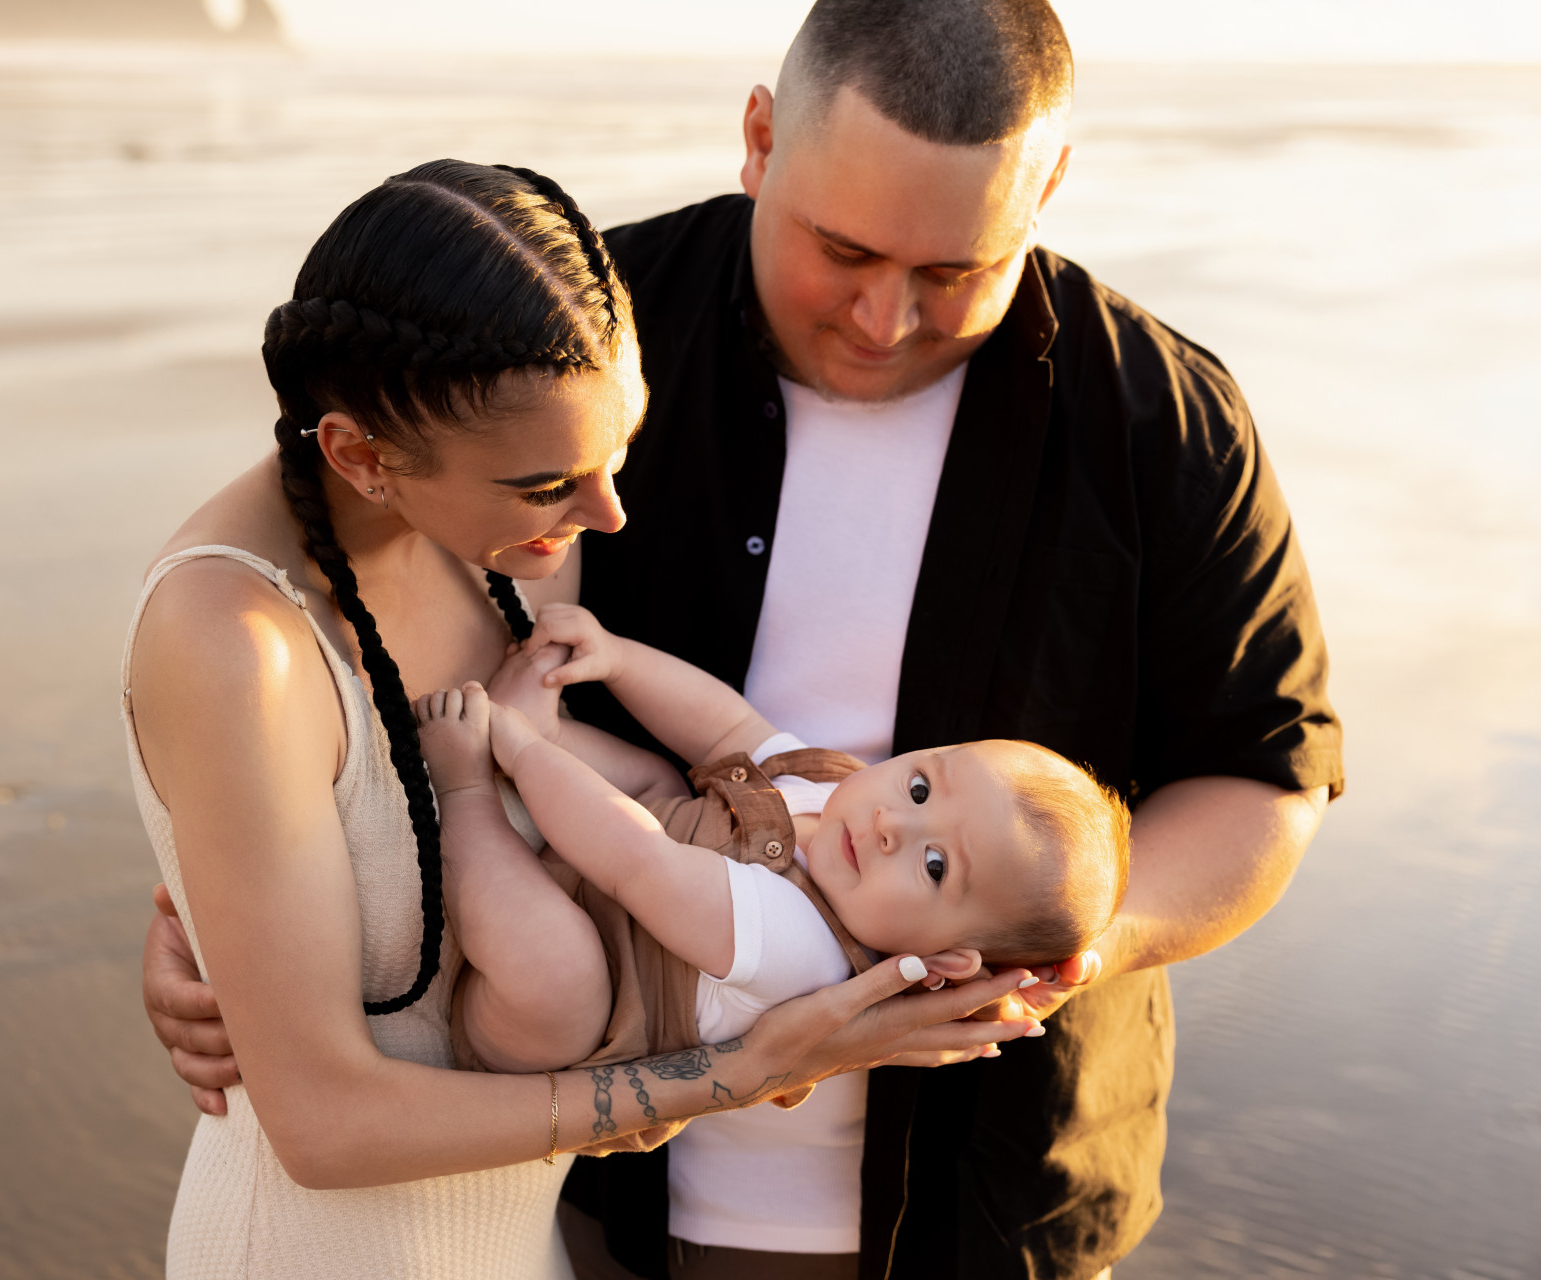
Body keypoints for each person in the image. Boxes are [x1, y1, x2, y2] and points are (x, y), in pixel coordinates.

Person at [146, 2, 1345, 1276]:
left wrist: (1050, 949)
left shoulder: (1164, 419)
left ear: (1048, 185)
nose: (885, 319)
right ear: (760, 138)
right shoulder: (583, 344)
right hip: (603, 1191)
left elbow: (1269, 777)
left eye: (953, 272)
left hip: (982, 1202)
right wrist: (213, 904)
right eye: (842, 250)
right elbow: (329, 580)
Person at [122, 158, 1030, 1280]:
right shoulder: (234, 641)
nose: (607, 511)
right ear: (360, 454)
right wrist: (741, 1069)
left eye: (618, 451)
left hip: (517, 1243)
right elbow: (325, 1126)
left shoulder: (504, 533)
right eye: (553, 483)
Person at [413, 603, 1131, 1080]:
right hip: (599, 855)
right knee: (661, 773)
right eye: (919, 789)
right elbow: (728, 728)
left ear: (942, 960)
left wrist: (513, 750)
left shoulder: (808, 951)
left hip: (558, 1010)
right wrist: (617, 658)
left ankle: (467, 794)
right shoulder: (835, 788)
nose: (892, 826)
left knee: (560, 972)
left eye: (935, 864)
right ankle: (547, 731)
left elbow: (635, 860)